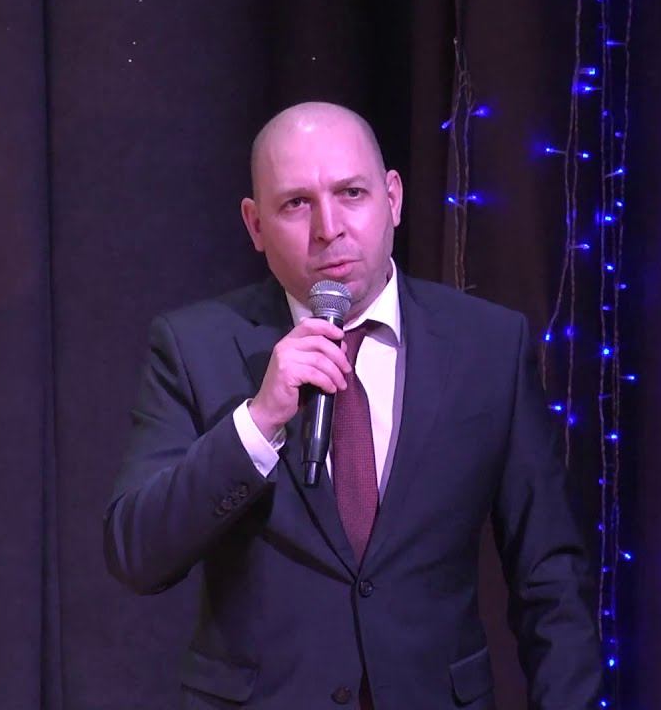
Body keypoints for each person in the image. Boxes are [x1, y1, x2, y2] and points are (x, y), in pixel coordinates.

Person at [105, 101, 601, 709]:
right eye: (296, 203)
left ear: (392, 198)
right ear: (255, 225)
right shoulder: (192, 347)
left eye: (351, 193)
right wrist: (258, 422)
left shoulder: (489, 346)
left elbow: (550, 577)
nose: (328, 228)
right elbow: (137, 554)